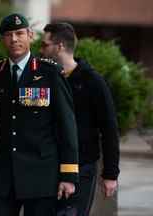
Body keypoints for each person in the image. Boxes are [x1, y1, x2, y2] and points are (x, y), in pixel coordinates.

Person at [0, 13, 79, 216]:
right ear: (3, 40)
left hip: (41, 176)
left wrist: (69, 175)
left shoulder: (49, 73)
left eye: (19, 33)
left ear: (29, 35)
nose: (14, 39)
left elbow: (66, 125)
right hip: (4, 176)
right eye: (8, 35)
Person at [40, 22, 120, 216]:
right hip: (47, 167)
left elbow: (109, 129)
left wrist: (110, 174)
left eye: (44, 45)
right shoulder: (44, 79)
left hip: (82, 168)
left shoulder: (93, 82)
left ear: (59, 46)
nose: (40, 50)